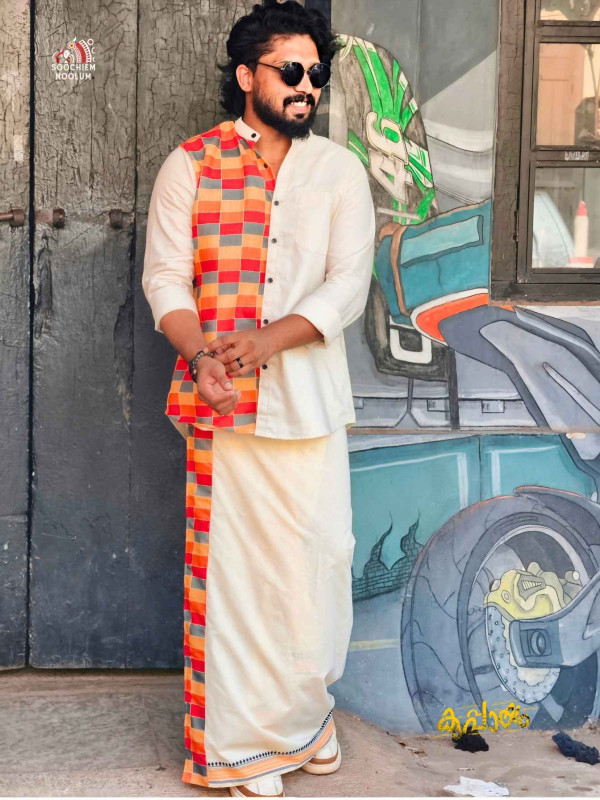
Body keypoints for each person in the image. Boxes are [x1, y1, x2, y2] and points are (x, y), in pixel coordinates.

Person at [142, 1, 375, 796]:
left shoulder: (338, 171)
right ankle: (245, 751)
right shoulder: (191, 165)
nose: (307, 85)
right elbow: (165, 280)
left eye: (317, 72)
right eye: (291, 70)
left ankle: (309, 722)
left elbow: (347, 285)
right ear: (247, 75)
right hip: (224, 407)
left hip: (310, 405)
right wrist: (200, 354)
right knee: (237, 586)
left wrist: (268, 342)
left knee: (318, 571)